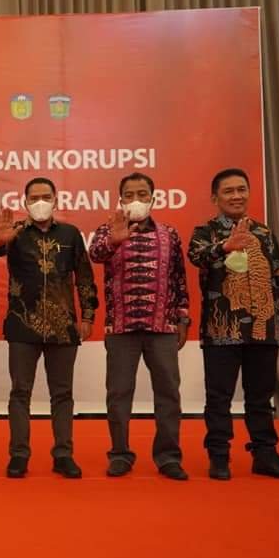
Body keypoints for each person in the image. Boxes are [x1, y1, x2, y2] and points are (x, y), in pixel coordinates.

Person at [188, 168, 279, 480]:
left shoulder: (264, 233)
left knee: (260, 398)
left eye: (241, 189)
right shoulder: (206, 232)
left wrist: (275, 321)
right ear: (215, 198)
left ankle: (265, 455)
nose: (236, 196)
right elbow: (196, 257)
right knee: (219, 398)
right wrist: (225, 246)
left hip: (263, 330)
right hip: (222, 331)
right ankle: (219, 457)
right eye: (229, 191)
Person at [0, 177, 98, 479]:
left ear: (55, 199)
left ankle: (63, 455)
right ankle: (19, 455)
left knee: (62, 394)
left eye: (45, 196)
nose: (40, 202)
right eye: (34, 197)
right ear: (25, 202)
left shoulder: (70, 234)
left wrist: (88, 316)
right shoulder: (15, 232)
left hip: (64, 327)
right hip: (23, 326)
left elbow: (85, 277)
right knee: (19, 393)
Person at [88, 172, 190, 480]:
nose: (136, 199)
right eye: (129, 194)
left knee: (168, 393)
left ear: (153, 198)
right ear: (120, 199)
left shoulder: (169, 234)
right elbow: (95, 254)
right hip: (121, 328)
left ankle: (168, 457)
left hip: (162, 327)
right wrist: (114, 240)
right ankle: (120, 454)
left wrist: (183, 317)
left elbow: (179, 278)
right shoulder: (108, 230)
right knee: (118, 394)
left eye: (142, 194)